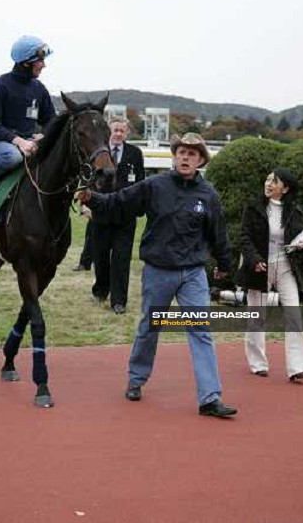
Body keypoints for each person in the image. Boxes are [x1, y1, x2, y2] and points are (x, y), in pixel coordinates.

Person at [78, 132, 237, 418]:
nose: (186, 157)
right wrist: (93, 198)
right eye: (182, 152)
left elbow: (218, 234)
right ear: (175, 156)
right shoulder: (154, 185)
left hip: (193, 274)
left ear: (201, 160)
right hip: (158, 272)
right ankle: (136, 379)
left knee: (200, 331)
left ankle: (210, 398)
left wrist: (225, 265)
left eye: (192, 154)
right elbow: (120, 201)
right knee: (149, 328)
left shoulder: (208, 195)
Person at [237, 168, 303, 382]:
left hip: (285, 267)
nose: (269, 183)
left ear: (285, 189)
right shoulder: (253, 207)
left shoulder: (294, 211)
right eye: (268, 179)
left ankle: (298, 367)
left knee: (294, 315)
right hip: (259, 268)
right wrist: (254, 259)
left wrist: (302, 244)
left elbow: (298, 236)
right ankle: (257, 363)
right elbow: (244, 237)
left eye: (274, 181)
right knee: (256, 317)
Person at [0, 35, 56, 201]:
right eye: (40, 61)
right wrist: (20, 142)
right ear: (26, 63)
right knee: (13, 156)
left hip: (28, 142)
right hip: (0, 143)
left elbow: (51, 120)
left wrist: (45, 134)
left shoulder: (39, 89)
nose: (44, 65)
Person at [90, 117, 145, 314]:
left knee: (121, 260)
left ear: (127, 133)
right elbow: (89, 178)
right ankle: (100, 290)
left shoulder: (135, 153)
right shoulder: (99, 151)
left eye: (123, 130)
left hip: (125, 216)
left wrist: (139, 208)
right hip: (101, 214)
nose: (119, 134)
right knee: (101, 256)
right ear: (109, 131)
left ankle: (119, 300)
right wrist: (87, 204)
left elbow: (141, 182)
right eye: (116, 130)